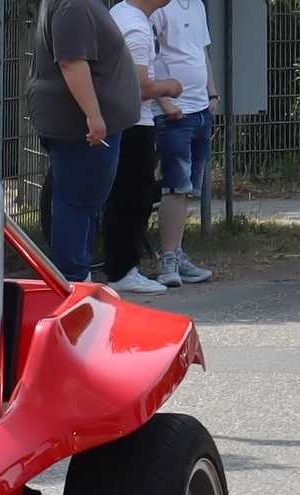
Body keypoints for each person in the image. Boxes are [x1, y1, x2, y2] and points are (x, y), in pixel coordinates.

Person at [28, 0, 142, 283]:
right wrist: (93, 114)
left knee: (83, 202)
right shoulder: (74, 4)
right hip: (79, 128)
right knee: (77, 203)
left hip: (83, 126)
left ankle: (77, 275)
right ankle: (73, 278)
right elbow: (71, 61)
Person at [103, 0, 185, 295]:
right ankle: (123, 269)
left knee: (124, 195)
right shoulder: (136, 28)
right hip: (134, 122)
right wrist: (169, 86)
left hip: (121, 119)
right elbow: (138, 86)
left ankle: (120, 266)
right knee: (133, 197)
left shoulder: (121, 13)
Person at [150, 0, 216, 285]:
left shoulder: (197, 5)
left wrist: (212, 94)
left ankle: (177, 254)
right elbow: (148, 57)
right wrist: (164, 101)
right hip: (174, 112)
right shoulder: (158, 6)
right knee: (175, 186)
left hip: (200, 109)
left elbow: (202, 52)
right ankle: (168, 260)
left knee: (187, 188)